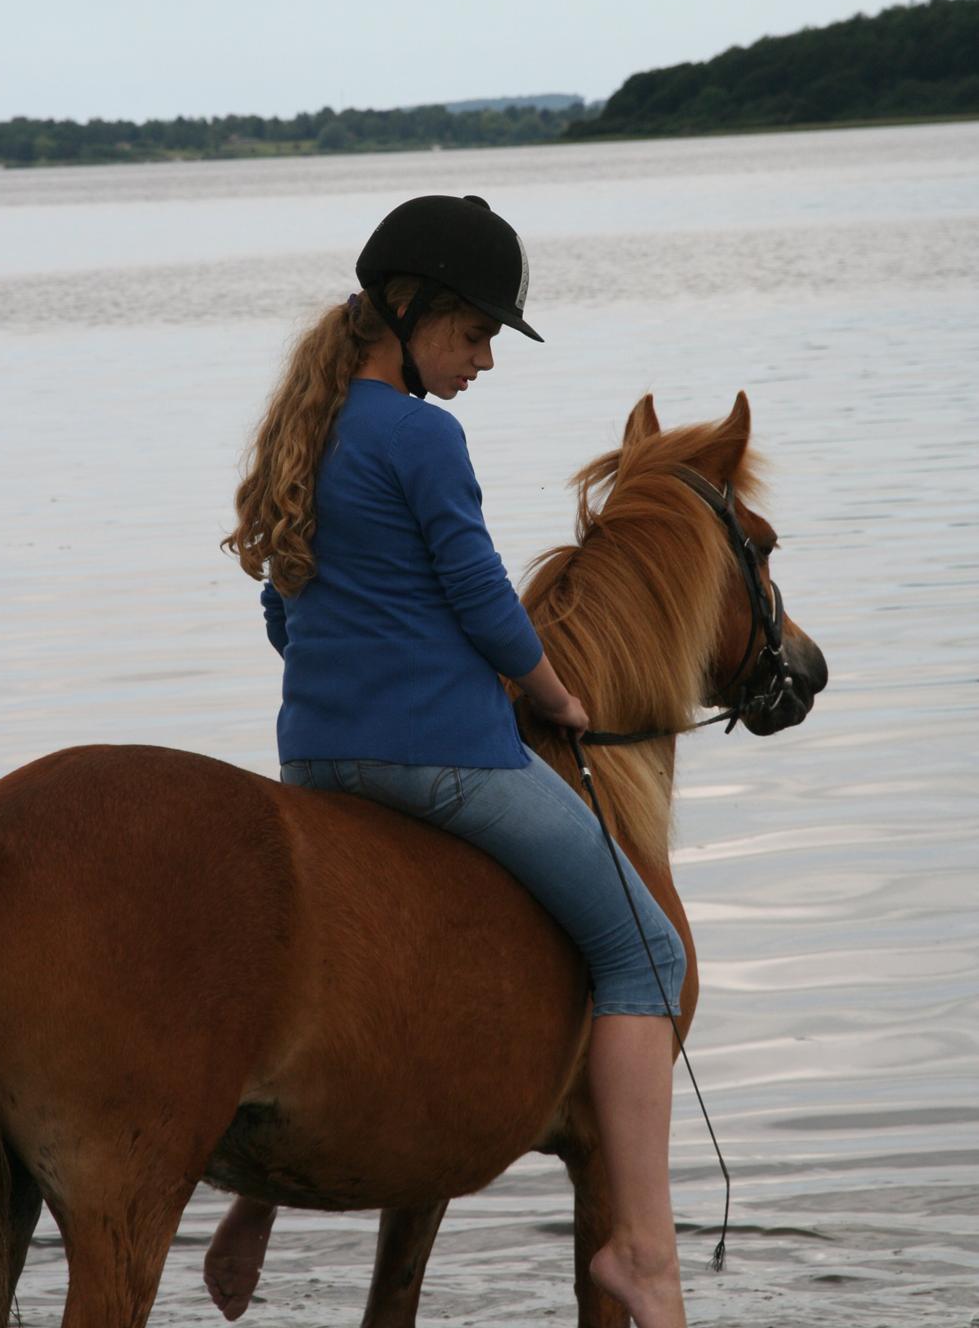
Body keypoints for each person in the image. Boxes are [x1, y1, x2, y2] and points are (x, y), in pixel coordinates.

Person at [206, 195, 689, 1328]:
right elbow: (479, 598)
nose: (480, 359)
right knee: (646, 951)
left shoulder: (308, 430)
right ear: (407, 311)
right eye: (471, 332)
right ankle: (642, 1255)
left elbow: (286, 617)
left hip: (316, 764)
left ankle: (249, 1204)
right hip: (448, 762)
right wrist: (553, 691)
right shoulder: (424, 437)